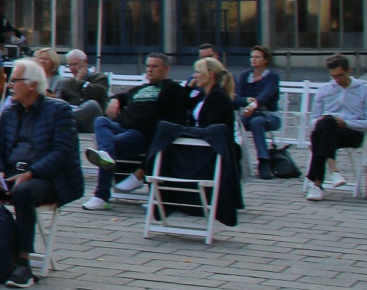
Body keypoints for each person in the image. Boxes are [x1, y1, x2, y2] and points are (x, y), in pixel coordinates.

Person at [0, 58, 80, 288]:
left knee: (23, 192)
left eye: (14, 81)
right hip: (11, 174)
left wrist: (30, 174)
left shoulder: (59, 110)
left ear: (32, 85)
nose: (10, 86)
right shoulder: (9, 113)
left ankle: (24, 263)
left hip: (49, 178)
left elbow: (63, 153)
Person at [115, 56, 236, 198]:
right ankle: (152, 189)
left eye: (198, 72)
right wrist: (188, 88)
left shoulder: (217, 97)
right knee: (164, 134)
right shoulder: (205, 95)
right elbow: (184, 103)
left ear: (210, 75)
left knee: (165, 134)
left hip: (208, 146)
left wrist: (180, 130)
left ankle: (142, 176)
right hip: (201, 141)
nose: (195, 76)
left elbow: (212, 129)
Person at [82, 53, 189, 209]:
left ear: (166, 69)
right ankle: (105, 153)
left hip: (140, 134)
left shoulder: (172, 88)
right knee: (100, 121)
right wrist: (115, 99)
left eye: (155, 66)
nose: (150, 70)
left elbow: (175, 118)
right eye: (148, 66)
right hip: (120, 126)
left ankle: (101, 195)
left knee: (108, 147)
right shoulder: (140, 89)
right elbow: (120, 95)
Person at [305, 54, 367, 201]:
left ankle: (317, 184)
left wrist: (346, 123)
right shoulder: (325, 90)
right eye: (333, 76)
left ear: (349, 70)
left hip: (353, 132)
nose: (337, 80)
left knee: (319, 134)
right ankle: (332, 172)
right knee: (324, 126)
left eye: (340, 75)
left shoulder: (365, 89)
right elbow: (313, 120)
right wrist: (322, 121)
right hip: (328, 132)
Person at [237, 45, 282, 178]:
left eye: (257, 57)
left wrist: (253, 105)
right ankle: (236, 160)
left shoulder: (272, 77)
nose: (253, 59)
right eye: (252, 57)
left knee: (257, 122)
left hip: (269, 116)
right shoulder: (245, 76)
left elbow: (266, 95)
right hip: (248, 114)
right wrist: (246, 100)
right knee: (236, 124)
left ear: (265, 60)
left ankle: (263, 162)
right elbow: (238, 98)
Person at [52, 48, 110, 132]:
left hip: (92, 121)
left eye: (75, 64)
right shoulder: (68, 83)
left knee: (92, 104)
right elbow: (61, 102)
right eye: (69, 65)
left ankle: (63, 117)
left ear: (85, 63)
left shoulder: (100, 78)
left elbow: (100, 94)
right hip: (75, 123)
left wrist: (81, 82)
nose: (72, 68)